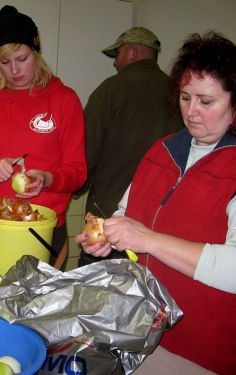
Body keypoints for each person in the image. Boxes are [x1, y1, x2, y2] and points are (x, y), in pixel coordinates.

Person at [76, 32, 236, 374]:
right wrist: (107, 234)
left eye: (206, 102)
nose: (190, 112)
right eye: (184, 97)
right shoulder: (163, 150)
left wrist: (148, 239)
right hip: (140, 330)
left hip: (200, 350)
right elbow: (126, 212)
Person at [0, 5, 86, 258]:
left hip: (43, 229)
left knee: (42, 299)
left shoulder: (64, 100)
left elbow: (78, 173)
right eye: (5, 62)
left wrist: (47, 179)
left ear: (36, 52)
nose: (15, 71)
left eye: (22, 59)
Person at [78, 26, 183, 266]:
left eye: (118, 55)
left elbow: (86, 151)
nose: (115, 63)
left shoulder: (110, 90)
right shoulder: (178, 94)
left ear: (133, 52)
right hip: (158, 225)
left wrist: (75, 184)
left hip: (108, 218)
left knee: (94, 294)